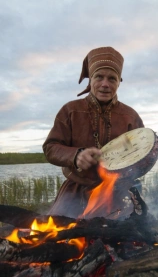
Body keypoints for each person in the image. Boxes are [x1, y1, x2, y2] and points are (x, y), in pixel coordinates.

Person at [43, 47, 144, 219]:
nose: (105, 84)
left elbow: (142, 153)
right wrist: (75, 156)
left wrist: (129, 169)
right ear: (91, 80)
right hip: (75, 195)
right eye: (99, 77)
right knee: (59, 236)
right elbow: (51, 148)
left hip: (119, 194)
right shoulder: (70, 111)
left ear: (119, 82)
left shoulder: (130, 116)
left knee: (125, 236)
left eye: (112, 79)